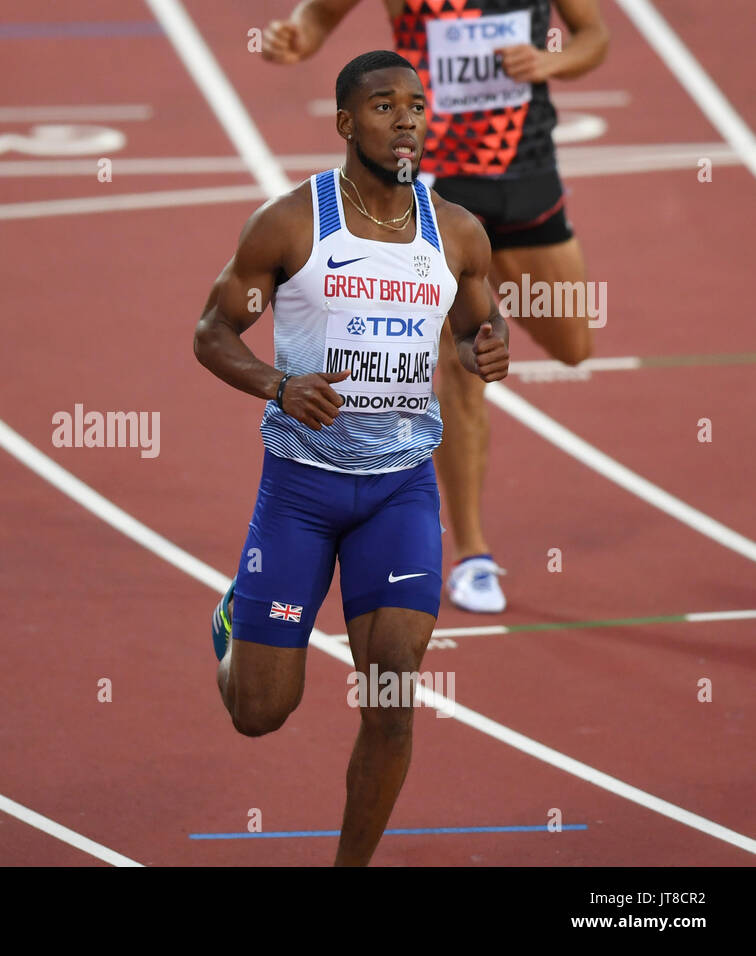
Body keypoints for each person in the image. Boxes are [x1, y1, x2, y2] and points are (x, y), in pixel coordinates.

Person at [195, 51, 508, 865]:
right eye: (381, 105)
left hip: (402, 492)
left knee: (393, 694)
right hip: (301, 492)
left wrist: (486, 349)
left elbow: (481, 324)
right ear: (345, 123)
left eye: (414, 105)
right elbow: (211, 331)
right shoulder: (293, 223)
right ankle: (236, 615)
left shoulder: (458, 231)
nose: (404, 118)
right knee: (260, 712)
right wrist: (277, 383)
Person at [262, 0, 609, 612]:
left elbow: (593, 36)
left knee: (574, 345)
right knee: (462, 364)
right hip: (437, 181)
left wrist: (549, 58)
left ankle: (488, 269)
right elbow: (319, 14)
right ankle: (472, 556)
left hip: (526, 174)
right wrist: (300, 35)